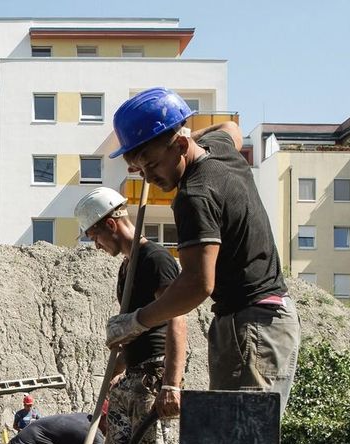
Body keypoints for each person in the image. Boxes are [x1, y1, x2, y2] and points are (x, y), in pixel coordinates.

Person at [105, 87, 300, 415]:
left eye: (152, 164)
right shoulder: (219, 151)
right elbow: (231, 129)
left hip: (251, 326)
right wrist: (176, 138)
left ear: (180, 145)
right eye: (141, 170)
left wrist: (136, 321)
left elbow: (197, 284)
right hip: (257, 321)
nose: (150, 177)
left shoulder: (195, 196)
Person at [76, 186, 186, 444]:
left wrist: (171, 382)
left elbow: (177, 319)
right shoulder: (128, 267)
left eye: (95, 236)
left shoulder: (155, 258)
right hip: (133, 375)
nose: (95, 245)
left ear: (110, 224)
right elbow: (135, 327)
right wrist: (119, 364)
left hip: (154, 374)